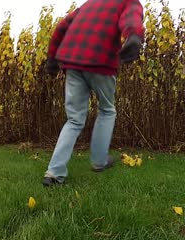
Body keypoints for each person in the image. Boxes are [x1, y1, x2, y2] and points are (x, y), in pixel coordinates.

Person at [42, 0, 144, 186]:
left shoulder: (89, 5)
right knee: (107, 110)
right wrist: (134, 37)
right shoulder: (127, 1)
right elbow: (131, 18)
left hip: (72, 62)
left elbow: (61, 26)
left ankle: (54, 173)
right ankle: (99, 161)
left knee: (74, 119)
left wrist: (51, 57)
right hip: (100, 61)